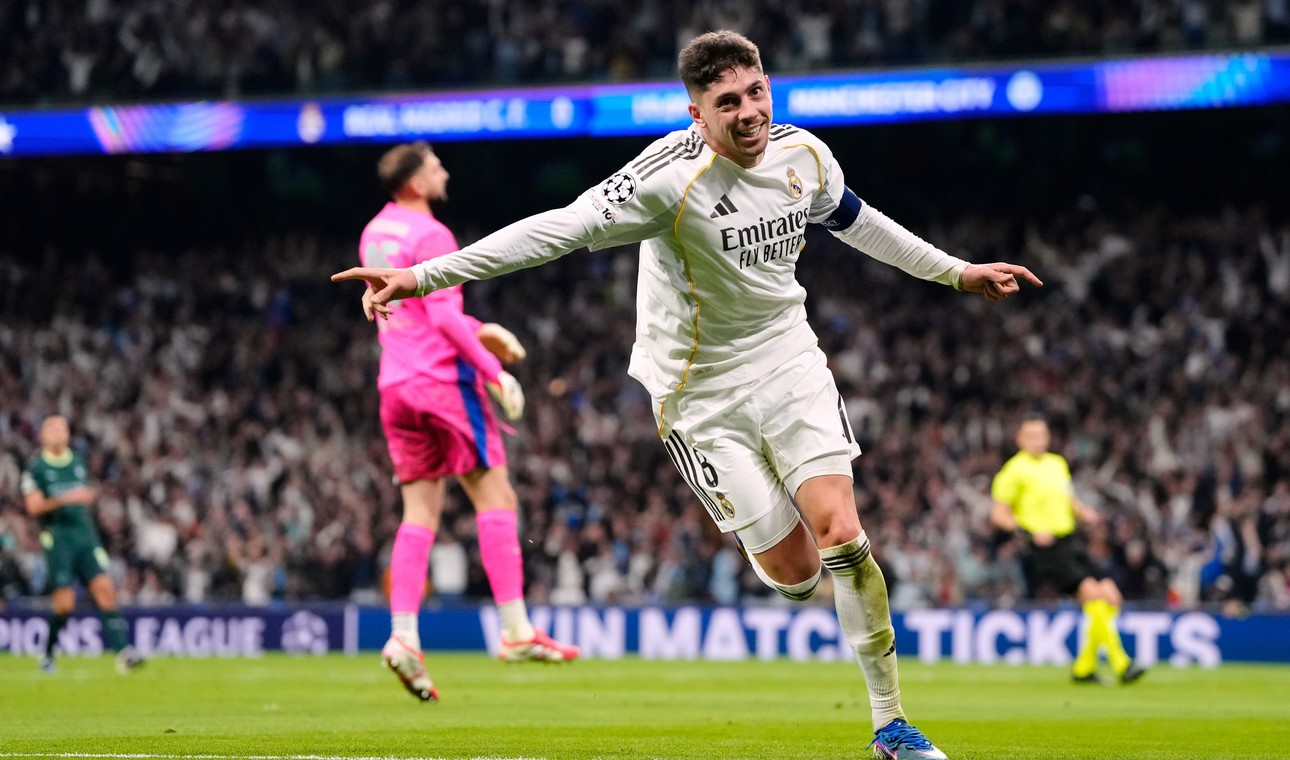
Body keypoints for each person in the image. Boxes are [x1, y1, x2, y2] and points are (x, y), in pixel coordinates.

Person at [336, 31, 1042, 757]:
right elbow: (561, 228)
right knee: (798, 577)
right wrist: (426, 276)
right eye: (726, 102)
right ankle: (776, 549)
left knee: (844, 537)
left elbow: (861, 224)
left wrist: (955, 271)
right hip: (698, 396)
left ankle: (890, 723)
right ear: (696, 114)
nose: (748, 112)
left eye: (756, 92)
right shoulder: (668, 178)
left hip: (790, 362)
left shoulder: (806, 156)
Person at [359, 141, 579, 704]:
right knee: (496, 498)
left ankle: (403, 636)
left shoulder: (374, 233)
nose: (444, 173)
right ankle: (515, 630)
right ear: (413, 182)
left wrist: (481, 327)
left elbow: (410, 316)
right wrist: (491, 370)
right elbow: (442, 316)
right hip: (443, 386)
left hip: (396, 387)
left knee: (419, 515)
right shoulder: (432, 235)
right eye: (434, 167)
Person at [990, 415, 1146, 685]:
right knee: (1094, 594)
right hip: (1046, 548)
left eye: (1042, 435)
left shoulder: (1057, 464)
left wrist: (1084, 512)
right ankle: (1121, 663)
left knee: (1111, 596)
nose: (1038, 440)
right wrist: (1027, 533)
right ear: (1020, 440)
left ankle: (1084, 667)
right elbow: (998, 514)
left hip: (1071, 540)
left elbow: (1068, 498)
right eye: (1031, 436)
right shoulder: (1013, 471)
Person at [20, 415, 143, 674]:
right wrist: (66, 498)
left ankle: (124, 653)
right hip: (58, 537)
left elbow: (85, 497)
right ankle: (48, 653)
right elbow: (33, 507)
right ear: (42, 435)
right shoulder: (36, 468)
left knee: (105, 589)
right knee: (65, 603)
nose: (58, 433)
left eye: (62, 428)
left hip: (85, 536)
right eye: (52, 428)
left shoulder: (77, 461)